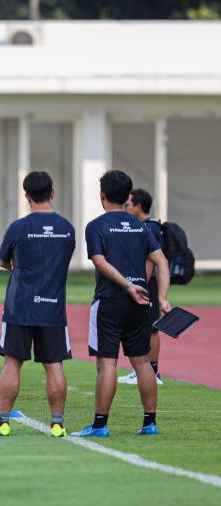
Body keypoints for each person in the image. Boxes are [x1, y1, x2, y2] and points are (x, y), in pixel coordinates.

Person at [72, 170, 171, 437]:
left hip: (110, 300)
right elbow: (161, 262)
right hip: (142, 302)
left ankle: (100, 425)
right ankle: (150, 423)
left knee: (107, 364)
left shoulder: (96, 226)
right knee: (142, 363)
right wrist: (161, 298)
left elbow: (100, 261)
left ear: (102, 195)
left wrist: (126, 285)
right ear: (127, 197)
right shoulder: (141, 226)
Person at [0, 171, 76, 438]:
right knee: (54, 364)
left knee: (12, 363)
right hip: (52, 306)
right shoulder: (66, 228)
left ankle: (3, 422)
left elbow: (4, 261)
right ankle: (58, 424)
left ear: (26, 196)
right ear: (52, 192)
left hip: (20, 305)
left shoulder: (18, 227)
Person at [119, 188, 165, 386]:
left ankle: (152, 372)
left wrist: (140, 284)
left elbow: (150, 260)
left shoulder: (149, 227)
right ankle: (144, 371)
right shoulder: (143, 226)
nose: (125, 208)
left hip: (149, 283)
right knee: (147, 326)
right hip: (147, 283)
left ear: (138, 207)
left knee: (152, 327)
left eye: (127, 205)